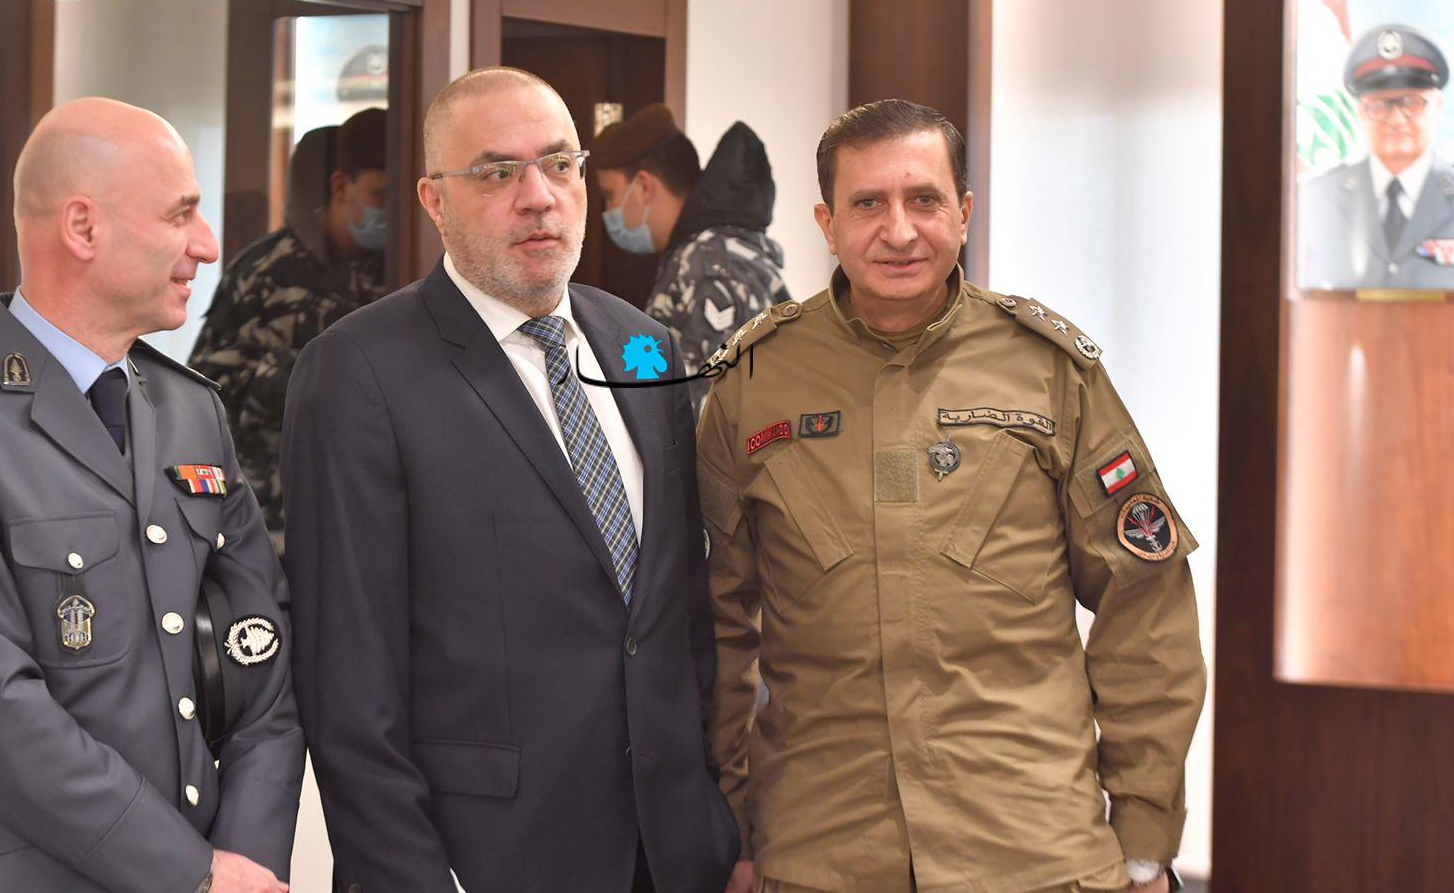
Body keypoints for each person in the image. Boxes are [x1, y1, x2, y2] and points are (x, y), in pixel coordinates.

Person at [697, 100, 1205, 893]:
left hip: (1031, 851)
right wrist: (725, 827)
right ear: (828, 223)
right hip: (822, 852)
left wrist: (1144, 834)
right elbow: (716, 625)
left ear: (963, 213)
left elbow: (1145, 601)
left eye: (924, 199)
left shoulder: (1049, 371)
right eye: (869, 203)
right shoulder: (754, 383)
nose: (899, 231)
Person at [282, 67, 739, 893]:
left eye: (561, 165)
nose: (539, 197)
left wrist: (720, 819)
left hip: (673, 851)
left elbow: (680, 607)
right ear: (433, 200)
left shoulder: (644, 347)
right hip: (489, 856)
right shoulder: (359, 372)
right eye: (498, 173)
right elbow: (348, 680)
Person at [0, 97, 304, 893]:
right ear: (83, 229)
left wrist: (250, 860)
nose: (207, 244)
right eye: (180, 214)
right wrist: (192, 874)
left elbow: (260, 652)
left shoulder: (190, 409)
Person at [189, 109, 390, 543]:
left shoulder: (403, 264)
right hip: (276, 514)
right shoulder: (266, 272)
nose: (391, 210)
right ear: (341, 187)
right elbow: (206, 394)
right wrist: (297, 382)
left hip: (369, 508)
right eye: (380, 194)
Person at [591, 104, 791, 408]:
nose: (608, 210)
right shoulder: (700, 254)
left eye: (609, 194)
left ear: (643, 186)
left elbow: (718, 411)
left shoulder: (708, 263)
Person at [1300, 23, 1454, 289]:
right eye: (1379, 105)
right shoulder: (1317, 199)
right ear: (1360, 112)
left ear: (1438, 107)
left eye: (1411, 103)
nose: (1395, 119)